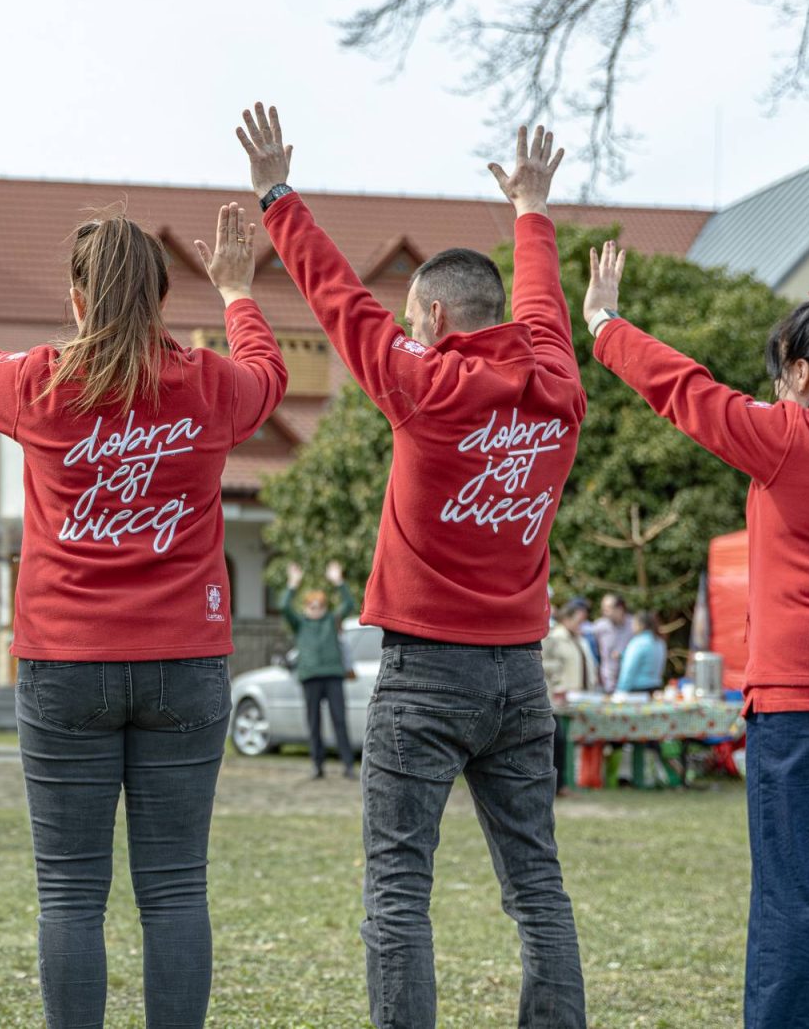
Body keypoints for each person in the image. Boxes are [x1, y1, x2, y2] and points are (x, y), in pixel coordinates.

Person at [0, 197, 285, 1027]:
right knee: (176, 887)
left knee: (71, 894)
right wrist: (238, 293)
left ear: (78, 301)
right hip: (186, 664)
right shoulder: (210, 385)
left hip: (65, 665)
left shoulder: (41, 384)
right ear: (157, 300)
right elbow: (271, 378)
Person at [239, 106, 586, 1027]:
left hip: (427, 669)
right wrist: (532, 208)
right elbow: (543, 310)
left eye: (410, 320)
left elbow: (336, 300)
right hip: (520, 673)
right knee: (538, 889)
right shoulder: (558, 386)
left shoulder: (423, 385)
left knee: (398, 891)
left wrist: (278, 195)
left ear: (431, 319)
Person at [582, 243, 809, 1027]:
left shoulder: (790, 440)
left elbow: (686, 391)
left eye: (781, 379)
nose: (777, 395)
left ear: (803, 376)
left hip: (808, 702)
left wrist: (606, 325)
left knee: (794, 903)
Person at [280, 560, 357, 779]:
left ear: (325, 607)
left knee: (339, 720)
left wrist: (338, 581)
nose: (316, 609)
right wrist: (293, 584)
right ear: (306, 607)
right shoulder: (300, 623)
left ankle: (348, 765)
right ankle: (317, 765)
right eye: (312, 606)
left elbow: (349, 603)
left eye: (320, 606)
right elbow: (284, 607)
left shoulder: (332, 620)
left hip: (333, 676)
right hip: (310, 677)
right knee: (313, 723)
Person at [542, 598, 596, 794]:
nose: (582, 624)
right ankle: (558, 784)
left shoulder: (580, 638)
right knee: (558, 740)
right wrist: (558, 679)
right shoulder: (554, 637)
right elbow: (541, 663)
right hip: (556, 698)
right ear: (568, 618)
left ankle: (570, 782)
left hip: (579, 698)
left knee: (572, 741)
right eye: (579, 620)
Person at [614, 612, 666, 694]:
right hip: (655, 689)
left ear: (641, 625)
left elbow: (628, 669)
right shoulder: (659, 642)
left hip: (637, 692)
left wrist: (620, 691)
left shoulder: (637, 643)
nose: (632, 626)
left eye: (634, 623)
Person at [592, 593, 634, 692]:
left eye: (608, 608)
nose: (604, 612)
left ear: (620, 609)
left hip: (630, 682)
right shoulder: (599, 626)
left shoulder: (634, 625)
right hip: (606, 682)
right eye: (603, 608)